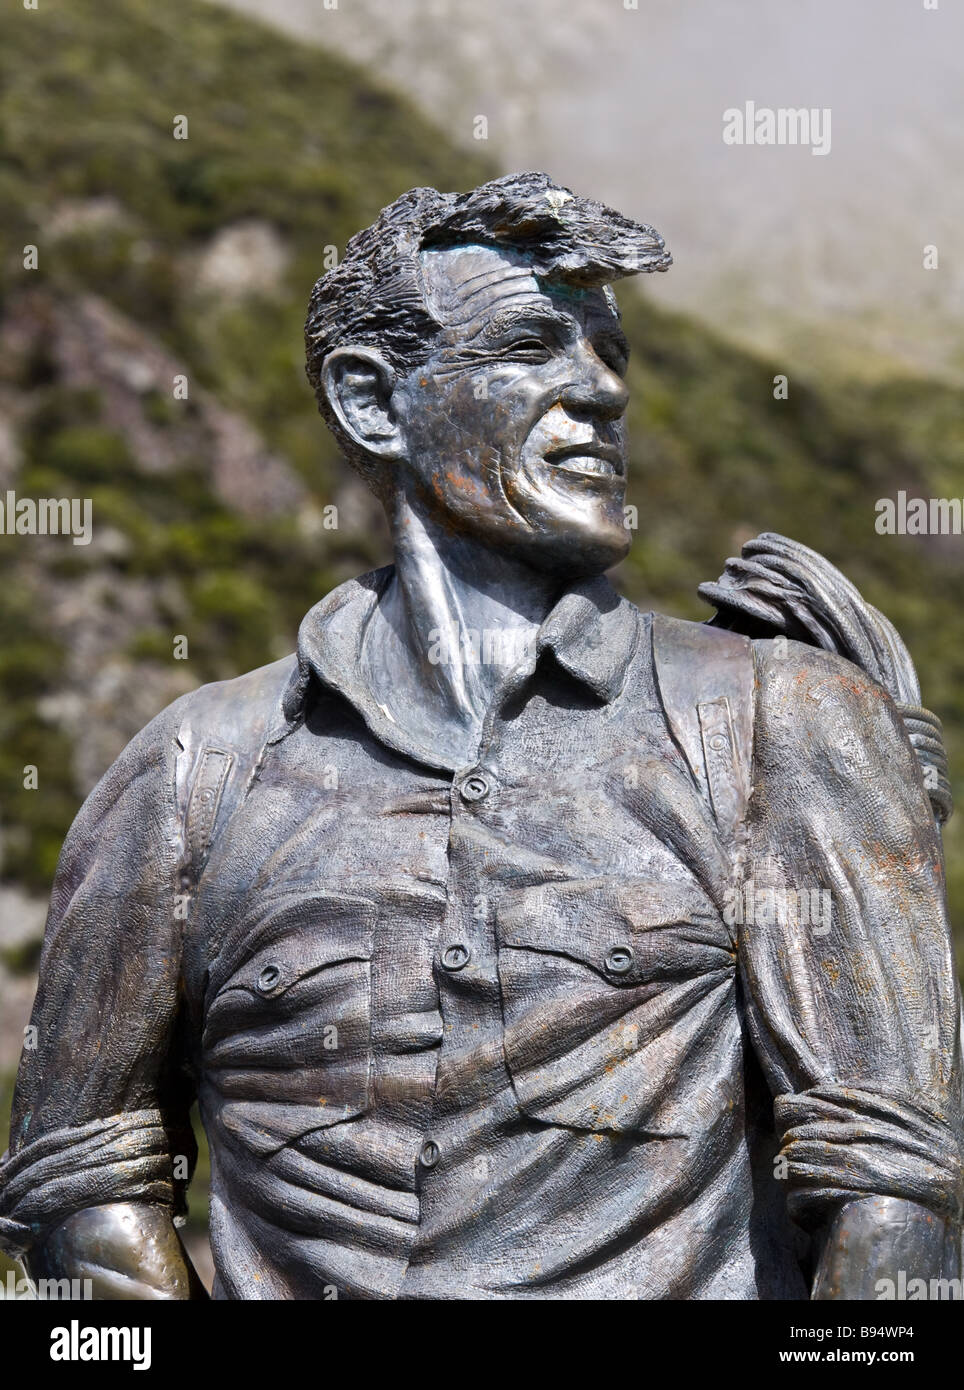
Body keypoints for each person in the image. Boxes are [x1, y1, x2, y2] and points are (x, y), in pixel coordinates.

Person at [2, 173, 961, 1299]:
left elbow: (891, 1195)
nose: (600, 391)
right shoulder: (190, 769)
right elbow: (81, 1177)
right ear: (373, 402)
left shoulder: (774, 720)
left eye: (610, 354)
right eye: (531, 345)